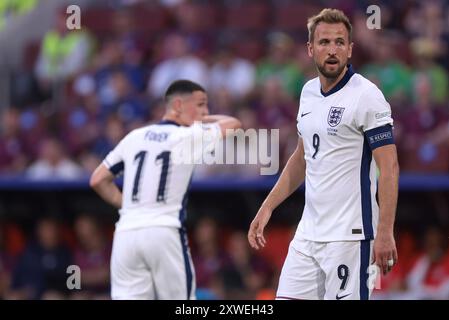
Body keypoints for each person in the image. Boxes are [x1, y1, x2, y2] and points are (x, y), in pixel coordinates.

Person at [248, 8, 399, 300]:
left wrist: (384, 231)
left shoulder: (366, 95)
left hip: (350, 238)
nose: (332, 50)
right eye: (324, 42)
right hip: (308, 235)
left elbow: (389, 168)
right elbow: (302, 156)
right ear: (310, 48)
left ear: (350, 49)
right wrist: (268, 206)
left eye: (340, 42)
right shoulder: (307, 93)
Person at [90, 79, 241, 300]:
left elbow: (97, 179)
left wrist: (129, 205)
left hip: (126, 233)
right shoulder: (188, 136)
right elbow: (234, 123)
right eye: (200, 105)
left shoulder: (134, 136)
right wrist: (203, 120)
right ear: (178, 105)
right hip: (164, 231)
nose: (205, 111)